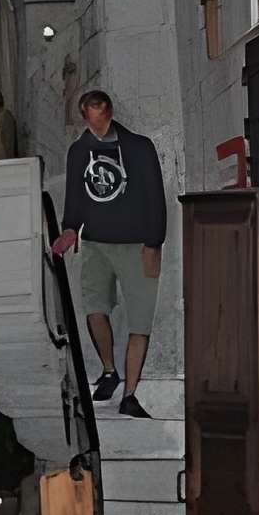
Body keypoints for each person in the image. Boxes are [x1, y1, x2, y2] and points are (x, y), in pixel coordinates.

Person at [51, 87, 166, 417]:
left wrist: (153, 243)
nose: (99, 128)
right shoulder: (78, 152)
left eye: (103, 120)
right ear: (84, 118)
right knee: (94, 308)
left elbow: (154, 197)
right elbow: (75, 197)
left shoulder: (139, 148)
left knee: (140, 320)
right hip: (97, 243)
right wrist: (69, 229)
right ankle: (108, 370)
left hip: (136, 243)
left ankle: (130, 395)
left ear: (110, 114)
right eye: (93, 121)